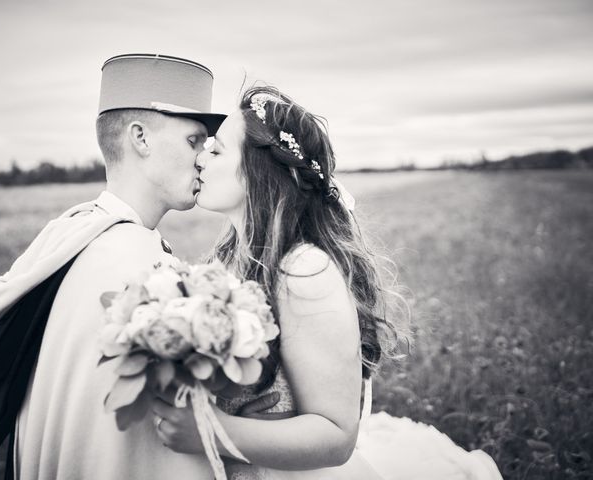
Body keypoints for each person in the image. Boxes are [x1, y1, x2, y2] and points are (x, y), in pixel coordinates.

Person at [151, 86, 503, 479]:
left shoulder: (303, 272)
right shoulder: (231, 259)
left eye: (217, 150)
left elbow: (336, 436)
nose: (201, 157)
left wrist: (212, 431)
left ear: (257, 171)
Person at [0, 54, 228, 480]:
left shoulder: (76, 232)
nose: (205, 157)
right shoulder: (133, 264)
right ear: (140, 138)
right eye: (193, 140)